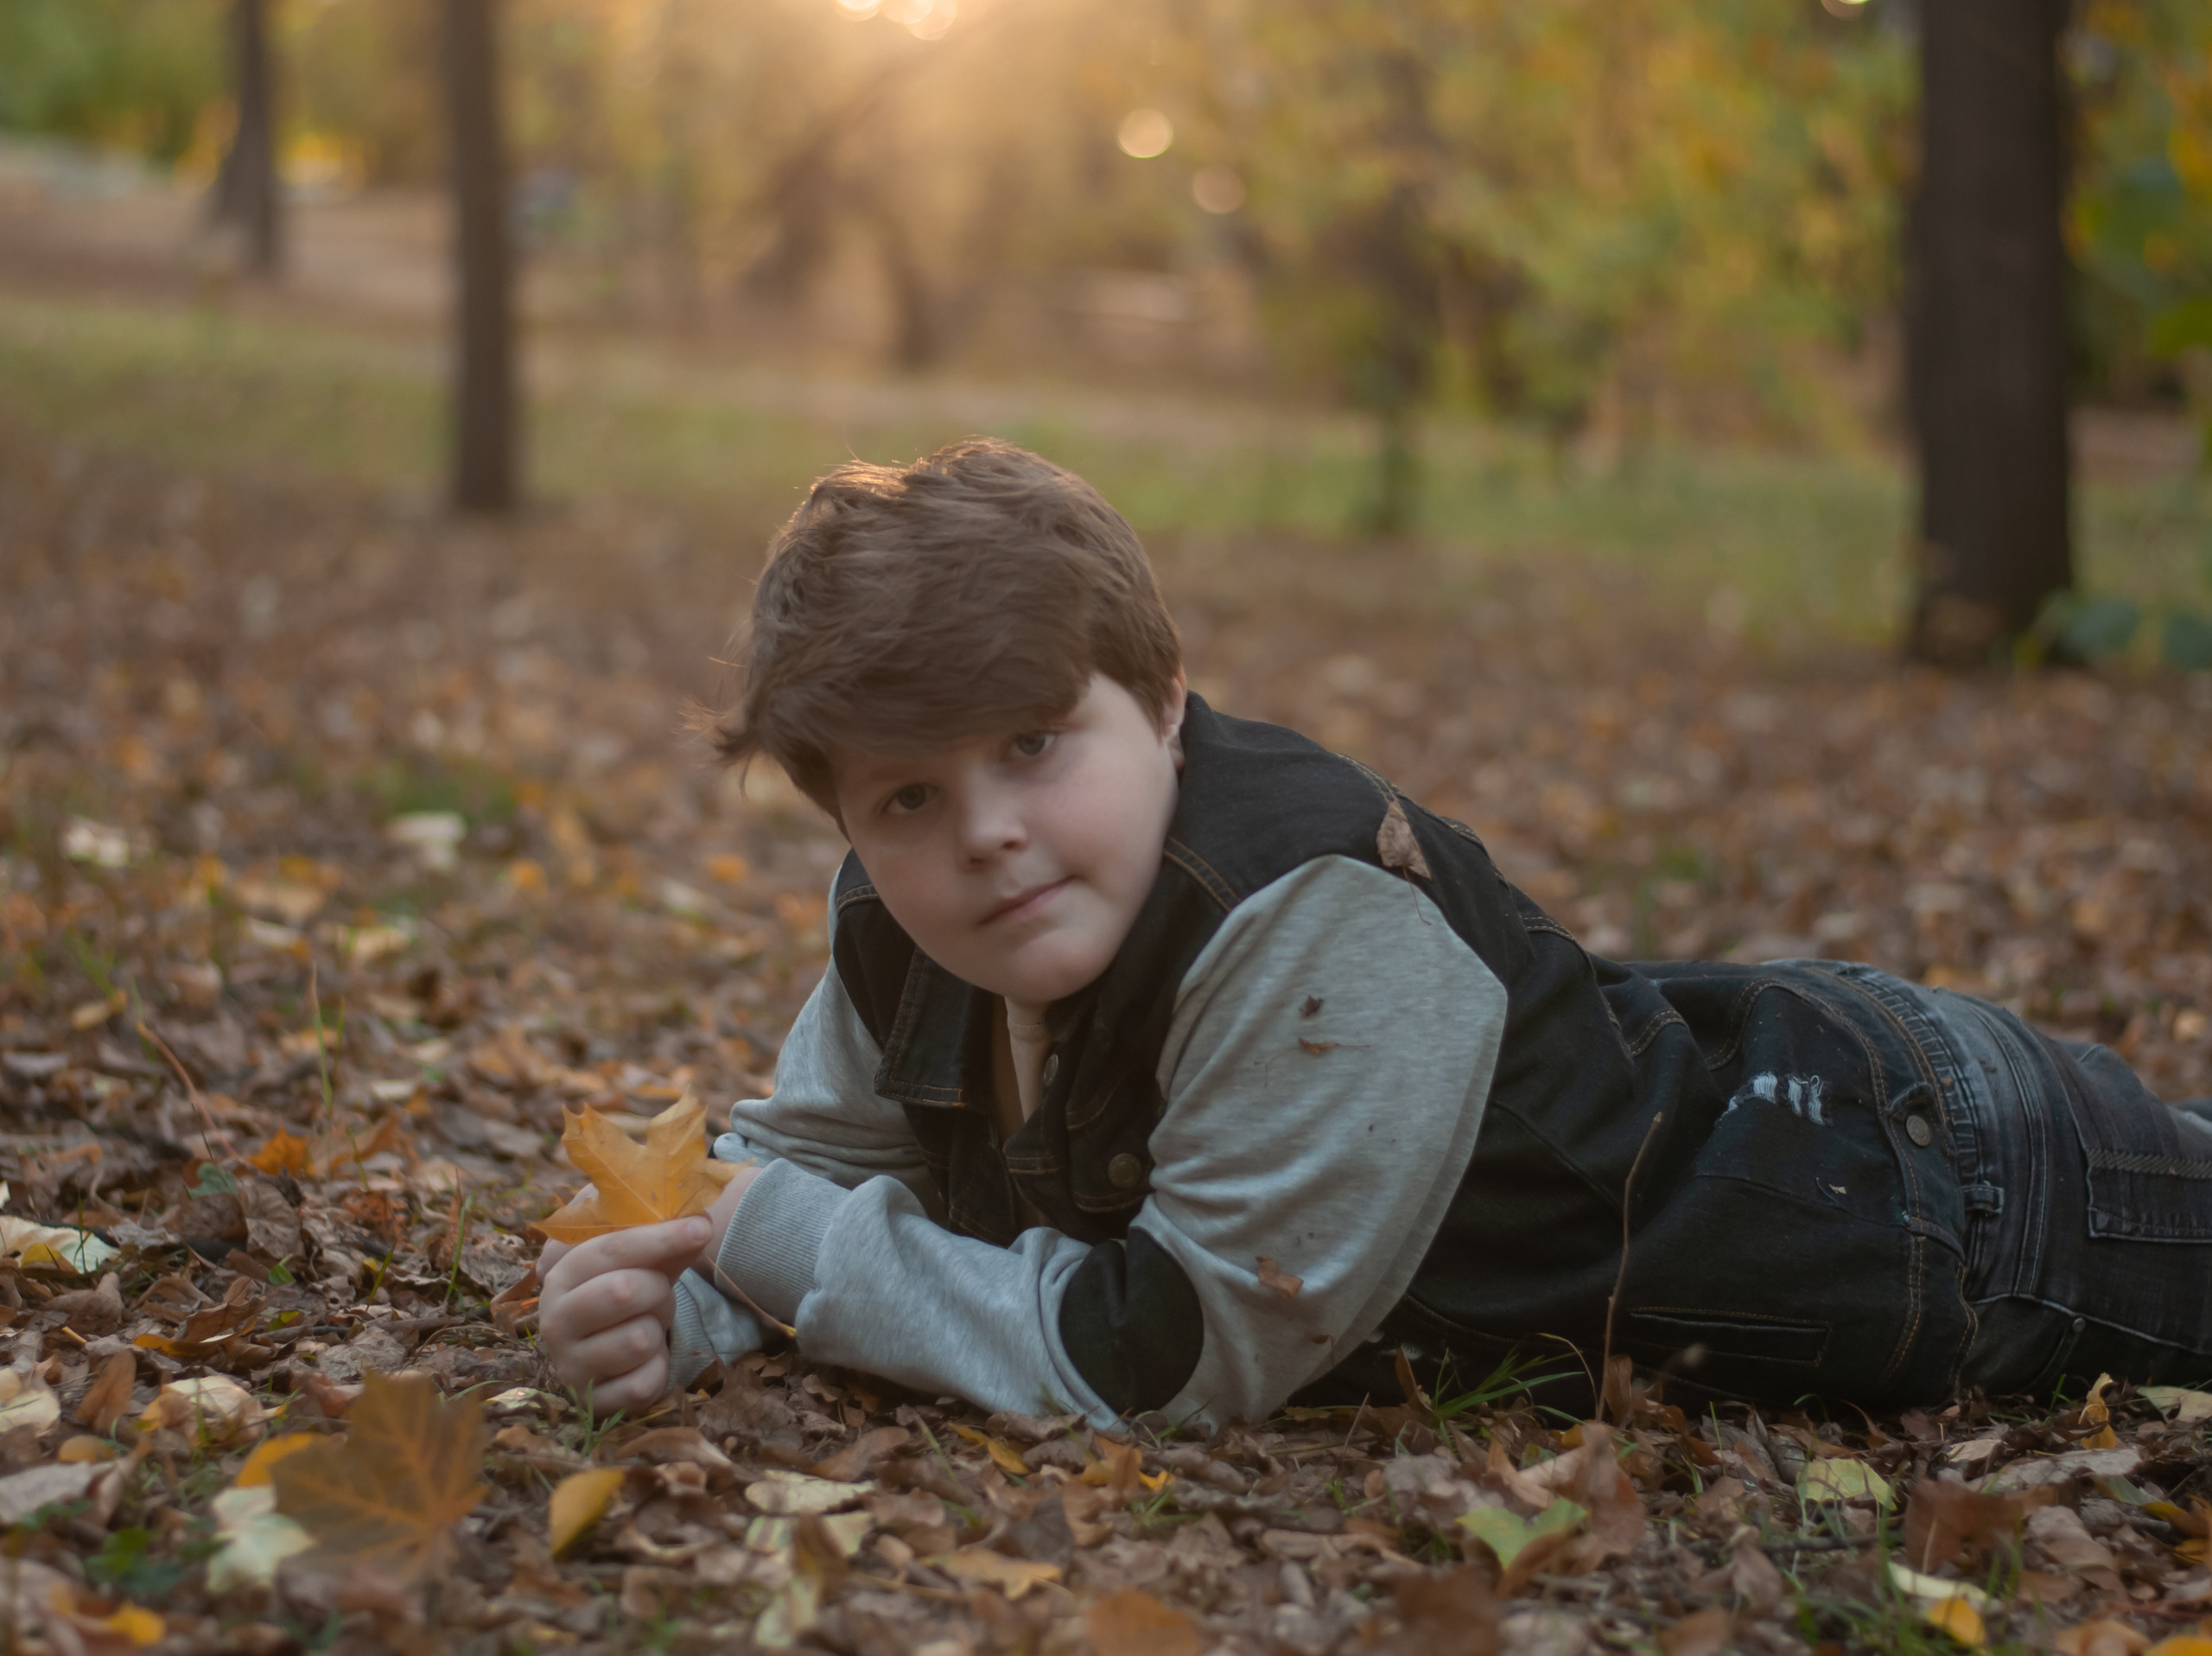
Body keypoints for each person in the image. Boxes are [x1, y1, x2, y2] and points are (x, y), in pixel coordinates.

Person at [534, 438, 2212, 1428]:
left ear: (1165, 701)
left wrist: (782, 1253)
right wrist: (677, 1305)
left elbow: (1165, 1354)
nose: (983, 829)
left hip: (1936, 1197)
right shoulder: (911, 918)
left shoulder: (1304, 912)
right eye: (904, 798)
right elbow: (804, 1162)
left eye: (1035, 746)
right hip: (1831, 1122)